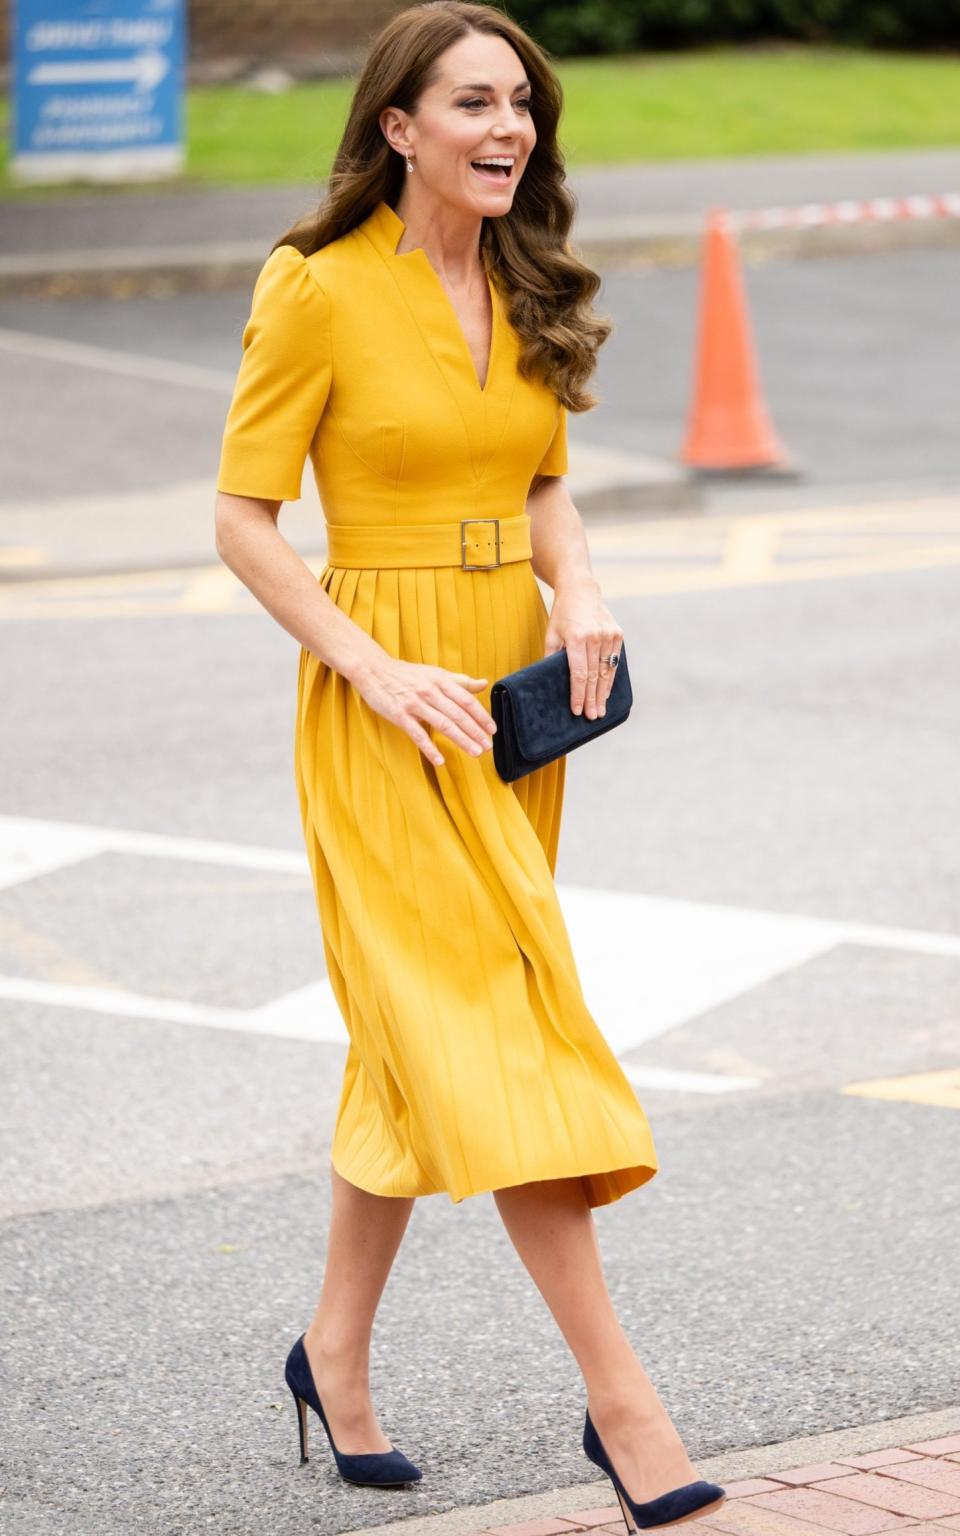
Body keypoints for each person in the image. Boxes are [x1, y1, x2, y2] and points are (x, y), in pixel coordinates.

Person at [213, 3, 725, 1529]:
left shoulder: (523, 275)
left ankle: (331, 1351)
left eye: (522, 106)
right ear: (398, 127)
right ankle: (625, 1407)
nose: (508, 130)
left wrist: (584, 592)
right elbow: (242, 521)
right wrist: (365, 665)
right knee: (495, 1029)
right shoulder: (313, 290)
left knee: (423, 1032)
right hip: (382, 699)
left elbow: (544, 482)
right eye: (474, 104)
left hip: (504, 703)